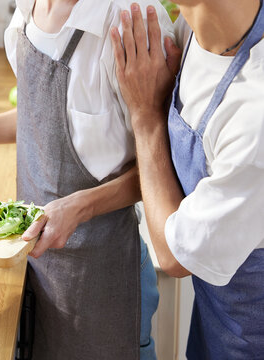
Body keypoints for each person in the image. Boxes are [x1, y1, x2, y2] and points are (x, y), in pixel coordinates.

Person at [0, 1, 173, 358]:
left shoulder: (130, 20)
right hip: (38, 267)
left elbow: (165, 162)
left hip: (103, 278)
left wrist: (80, 207)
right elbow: (48, 114)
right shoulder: (27, 9)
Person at [111, 0, 264, 358]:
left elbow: (174, 258)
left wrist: (146, 117)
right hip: (217, 322)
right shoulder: (195, 28)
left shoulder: (255, 117)